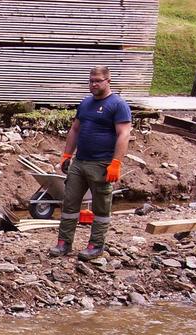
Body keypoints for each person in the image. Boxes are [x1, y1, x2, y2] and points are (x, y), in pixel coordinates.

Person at [49, 65, 131, 261]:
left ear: (108, 81)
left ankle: (96, 245)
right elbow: (75, 130)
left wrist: (116, 163)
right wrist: (67, 155)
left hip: (101, 164)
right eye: (91, 80)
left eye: (98, 81)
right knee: (69, 203)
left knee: (101, 207)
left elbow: (124, 134)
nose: (94, 84)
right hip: (80, 162)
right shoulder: (85, 103)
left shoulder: (118, 105)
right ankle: (64, 243)